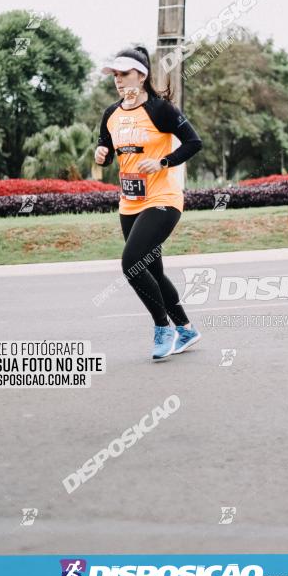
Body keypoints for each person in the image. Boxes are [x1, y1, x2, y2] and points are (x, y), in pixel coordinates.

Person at [95, 46, 203, 361]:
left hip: (163, 199)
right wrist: (101, 155)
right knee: (151, 271)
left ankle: (163, 328)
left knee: (131, 264)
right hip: (130, 203)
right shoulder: (111, 115)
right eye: (115, 74)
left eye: (124, 73)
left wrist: (164, 162)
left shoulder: (161, 110)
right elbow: (106, 148)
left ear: (141, 76)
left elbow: (195, 142)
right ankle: (185, 328)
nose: (118, 80)